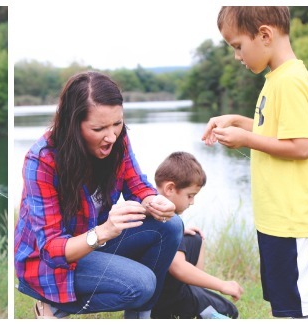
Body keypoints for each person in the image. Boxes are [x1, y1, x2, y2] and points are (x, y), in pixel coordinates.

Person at [14, 71, 183, 319]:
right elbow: (51, 249)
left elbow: (137, 184)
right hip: (47, 262)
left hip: (91, 241)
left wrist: (153, 201)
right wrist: (104, 231)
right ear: (73, 125)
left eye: (117, 124)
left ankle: (140, 319)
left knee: (171, 226)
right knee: (142, 284)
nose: (111, 136)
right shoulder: (42, 161)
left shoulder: (117, 141)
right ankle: (54, 304)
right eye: (99, 128)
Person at [202, 7, 308, 319]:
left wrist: (246, 140)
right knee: (285, 308)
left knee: (305, 311)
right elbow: (274, 131)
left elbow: (301, 146)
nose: (237, 56)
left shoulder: (291, 80)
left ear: (265, 35)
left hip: (294, 223)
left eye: (238, 46)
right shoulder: (275, 79)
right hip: (275, 221)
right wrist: (239, 122)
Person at [150, 152, 243, 319]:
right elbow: (178, 268)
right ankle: (191, 306)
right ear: (170, 188)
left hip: (161, 287)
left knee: (195, 238)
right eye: (190, 196)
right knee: (229, 310)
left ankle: (196, 291)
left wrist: (181, 232)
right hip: (161, 301)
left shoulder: (151, 205)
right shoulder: (168, 222)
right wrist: (223, 285)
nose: (192, 202)